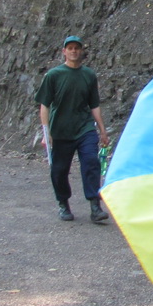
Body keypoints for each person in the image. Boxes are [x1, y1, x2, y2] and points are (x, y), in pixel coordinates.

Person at [36, 35, 110, 223]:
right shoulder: (54, 75)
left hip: (85, 128)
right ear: (64, 52)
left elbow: (94, 105)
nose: (74, 51)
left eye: (77, 48)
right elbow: (44, 105)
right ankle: (63, 203)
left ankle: (95, 205)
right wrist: (46, 132)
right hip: (60, 131)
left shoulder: (89, 75)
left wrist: (102, 130)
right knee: (59, 170)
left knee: (91, 162)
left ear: (81, 51)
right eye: (70, 48)